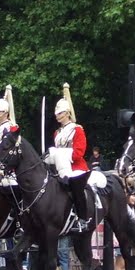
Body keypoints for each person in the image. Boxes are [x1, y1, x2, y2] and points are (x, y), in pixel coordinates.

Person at [45, 85, 91, 233]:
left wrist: (60, 155)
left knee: (76, 188)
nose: (58, 116)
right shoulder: (57, 133)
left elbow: (79, 152)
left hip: (76, 168)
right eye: (57, 113)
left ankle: (83, 219)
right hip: (60, 169)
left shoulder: (77, 129)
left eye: (61, 113)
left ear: (67, 113)